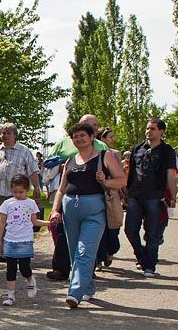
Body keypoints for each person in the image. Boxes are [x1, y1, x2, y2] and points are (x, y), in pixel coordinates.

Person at [49, 122, 126, 308]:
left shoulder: (104, 156)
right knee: (75, 252)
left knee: (85, 251)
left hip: (94, 210)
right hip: (70, 210)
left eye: (83, 135)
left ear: (92, 137)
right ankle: (89, 287)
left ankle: (74, 293)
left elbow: (121, 180)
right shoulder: (70, 161)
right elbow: (61, 189)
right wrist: (54, 210)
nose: (79, 139)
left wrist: (105, 180)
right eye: (75, 136)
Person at [45, 114, 108, 281]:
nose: (92, 127)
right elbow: (49, 161)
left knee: (88, 238)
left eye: (95, 125)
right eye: (88, 124)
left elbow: (110, 170)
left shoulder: (102, 146)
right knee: (62, 233)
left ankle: (86, 271)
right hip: (67, 192)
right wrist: (60, 165)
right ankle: (61, 268)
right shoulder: (65, 142)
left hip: (93, 199)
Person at [124, 117, 178, 278]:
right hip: (135, 195)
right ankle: (141, 256)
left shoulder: (167, 150)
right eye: (147, 128)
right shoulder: (137, 148)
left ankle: (150, 265)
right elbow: (131, 172)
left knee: (153, 233)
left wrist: (173, 197)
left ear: (161, 131)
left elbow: (171, 174)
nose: (149, 131)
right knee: (130, 230)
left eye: (153, 128)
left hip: (155, 196)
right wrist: (127, 191)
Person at [0, 123, 42, 262]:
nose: (5, 136)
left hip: (17, 195)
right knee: (1, 223)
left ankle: (19, 252)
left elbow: (33, 170)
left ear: (15, 135)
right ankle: (3, 252)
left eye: (8, 133)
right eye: (3, 133)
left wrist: (37, 187)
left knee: (18, 224)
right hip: (0, 194)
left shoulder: (24, 150)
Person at [0, 174, 49, 306]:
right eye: (15, 192)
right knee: (11, 268)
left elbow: (35, 221)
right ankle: (10, 295)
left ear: (27, 190)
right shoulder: (7, 203)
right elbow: (1, 222)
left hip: (25, 241)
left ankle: (30, 280)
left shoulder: (31, 203)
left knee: (24, 267)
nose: (18, 194)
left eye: (21, 192)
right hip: (10, 240)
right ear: (11, 190)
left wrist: (49, 223)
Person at [94, 127, 124, 268]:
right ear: (102, 139)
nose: (113, 140)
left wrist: (124, 194)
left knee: (113, 227)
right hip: (96, 193)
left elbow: (120, 175)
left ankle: (110, 252)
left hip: (112, 193)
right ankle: (98, 258)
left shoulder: (115, 154)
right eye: (110, 137)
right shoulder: (93, 154)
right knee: (99, 228)